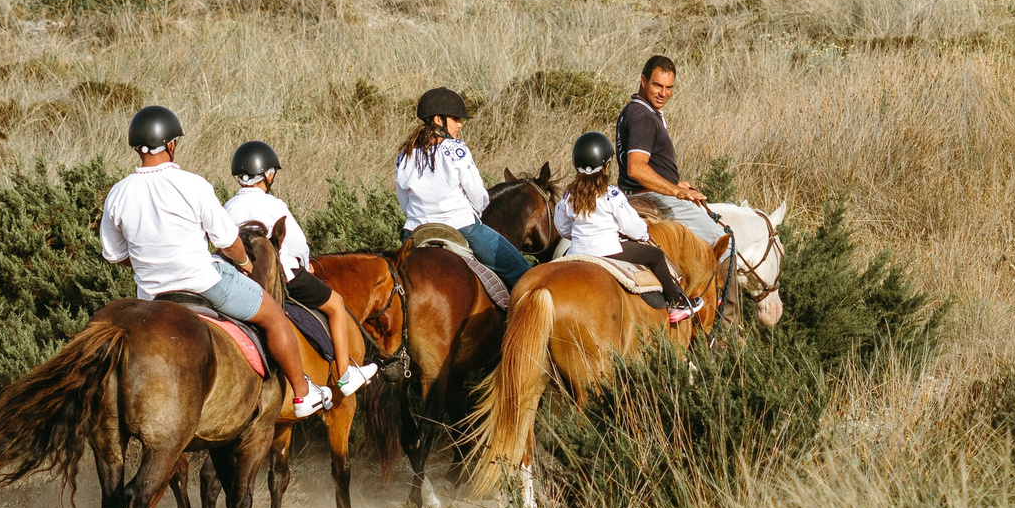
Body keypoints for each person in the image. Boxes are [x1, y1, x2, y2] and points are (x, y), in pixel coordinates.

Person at [97, 107, 331, 419]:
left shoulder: (118, 193)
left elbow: (114, 255)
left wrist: (148, 263)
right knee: (275, 316)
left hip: (151, 296)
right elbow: (227, 241)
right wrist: (246, 262)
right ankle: (303, 394)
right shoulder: (193, 184)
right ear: (171, 144)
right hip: (205, 283)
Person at [224, 140, 380, 396]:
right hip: (283, 279)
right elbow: (298, 245)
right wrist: (305, 263)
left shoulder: (228, 206)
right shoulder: (274, 206)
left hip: (241, 280)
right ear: (269, 175)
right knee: (336, 305)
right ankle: (344, 374)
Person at [554, 131, 702, 322]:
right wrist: (642, 234)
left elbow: (562, 228)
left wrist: (579, 237)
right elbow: (633, 227)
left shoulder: (568, 196)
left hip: (577, 252)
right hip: (609, 251)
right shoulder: (611, 194)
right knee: (655, 256)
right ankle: (678, 301)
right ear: (607, 166)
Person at [392, 87, 531, 289]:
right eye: (456, 119)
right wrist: (474, 214)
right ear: (438, 120)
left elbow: (403, 200)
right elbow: (477, 193)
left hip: (415, 231)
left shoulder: (404, 154)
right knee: (523, 273)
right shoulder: (457, 149)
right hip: (461, 226)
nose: (460, 125)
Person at [616, 54, 726, 250]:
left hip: (634, 194)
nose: (663, 93)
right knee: (723, 243)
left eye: (669, 88)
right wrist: (676, 191)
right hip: (653, 197)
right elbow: (636, 168)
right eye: (657, 85)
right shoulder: (644, 117)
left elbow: (648, 164)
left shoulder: (633, 110)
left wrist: (675, 182)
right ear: (643, 81)